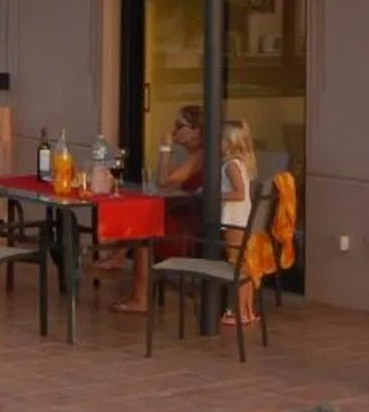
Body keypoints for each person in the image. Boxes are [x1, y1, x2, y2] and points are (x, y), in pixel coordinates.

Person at [112, 104, 204, 315]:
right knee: (139, 215)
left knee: (143, 227)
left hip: (190, 227)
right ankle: (118, 257)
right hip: (186, 213)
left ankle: (139, 296)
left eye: (179, 126)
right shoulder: (195, 155)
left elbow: (163, 180)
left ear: (196, 130)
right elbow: (169, 180)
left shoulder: (199, 156)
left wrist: (165, 148)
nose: (173, 131)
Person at [218, 118, 261, 328]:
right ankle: (247, 310)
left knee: (236, 266)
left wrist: (216, 194)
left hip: (234, 221)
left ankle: (238, 310)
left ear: (228, 141)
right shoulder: (241, 163)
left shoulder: (230, 165)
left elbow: (238, 193)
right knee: (243, 265)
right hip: (242, 220)